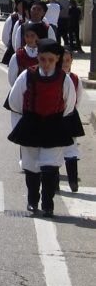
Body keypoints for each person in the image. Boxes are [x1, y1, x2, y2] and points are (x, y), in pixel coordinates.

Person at [7, 39, 75, 217]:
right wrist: (30, 113)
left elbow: (69, 104)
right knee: (31, 166)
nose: (46, 64)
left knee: (50, 167)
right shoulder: (27, 75)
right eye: (43, 59)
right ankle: (32, 200)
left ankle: (48, 203)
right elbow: (15, 100)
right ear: (38, 57)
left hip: (53, 125)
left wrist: (54, 114)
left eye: (51, 60)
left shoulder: (63, 79)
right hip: (31, 124)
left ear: (57, 58)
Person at [61, 47, 85, 192]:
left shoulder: (75, 79)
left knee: (71, 149)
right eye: (62, 61)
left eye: (68, 61)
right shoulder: (54, 77)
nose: (65, 63)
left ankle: (73, 180)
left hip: (70, 117)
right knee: (54, 150)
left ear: (72, 61)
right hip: (55, 118)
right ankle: (54, 182)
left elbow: (79, 98)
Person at [7, 23, 45, 88]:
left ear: (38, 37)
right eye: (27, 36)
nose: (29, 39)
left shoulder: (44, 55)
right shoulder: (17, 55)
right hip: (21, 91)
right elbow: (12, 78)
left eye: (32, 36)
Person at [1, 0, 28, 65]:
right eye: (20, 5)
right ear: (17, 6)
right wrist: (9, 46)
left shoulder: (29, 19)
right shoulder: (12, 18)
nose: (22, 7)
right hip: (13, 49)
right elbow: (5, 34)